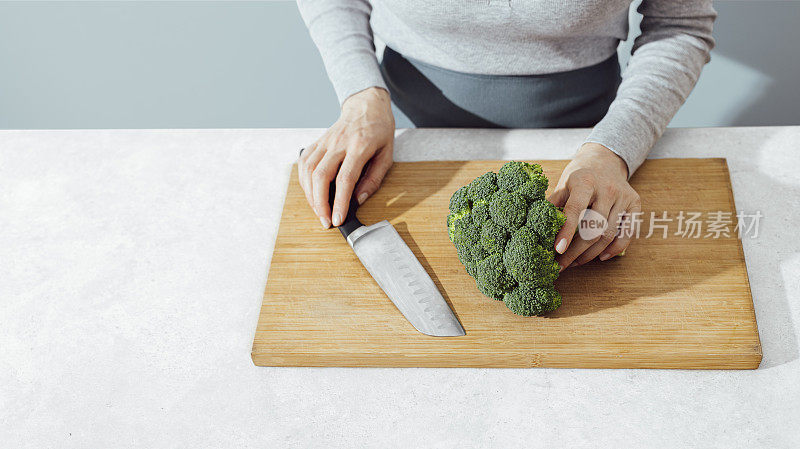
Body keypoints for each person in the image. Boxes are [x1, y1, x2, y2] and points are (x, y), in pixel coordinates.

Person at [295, 0, 716, 270]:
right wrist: (360, 95)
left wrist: (614, 148)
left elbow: (679, 24)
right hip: (405, 132)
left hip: (595, 130)